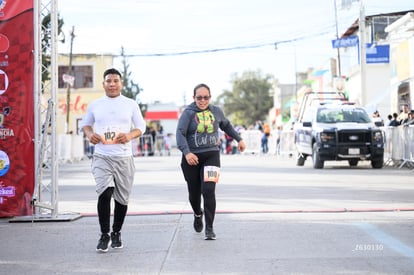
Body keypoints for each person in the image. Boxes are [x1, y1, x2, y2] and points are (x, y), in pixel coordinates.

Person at [81, 68, 146, 253]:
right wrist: (90, 134)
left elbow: (141, 126)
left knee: (121, 199)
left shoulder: (130, 104)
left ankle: (116, 232)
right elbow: (85, 124)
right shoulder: (95, 104)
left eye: (115, 80)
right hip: (102, 155)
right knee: (105, 191)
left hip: (124, 158)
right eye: (108, 81)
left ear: (121, 83)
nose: (112, 84)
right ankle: (104, 234)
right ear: (103, 84)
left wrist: (129, 135)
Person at [176, 83, 246, 240]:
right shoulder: (188, 113)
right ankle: (197, 213)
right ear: (194, 98)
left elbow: (226, 125)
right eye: (199, 98)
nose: (202, 100)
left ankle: (209, 227)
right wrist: (187, 153)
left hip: (211, 155)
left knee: (208, 190)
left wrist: (238, 139)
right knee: (194, 194)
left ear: (210, 97)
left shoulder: (216, 111)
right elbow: (180, 133)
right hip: (192, 158)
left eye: (205, 97)